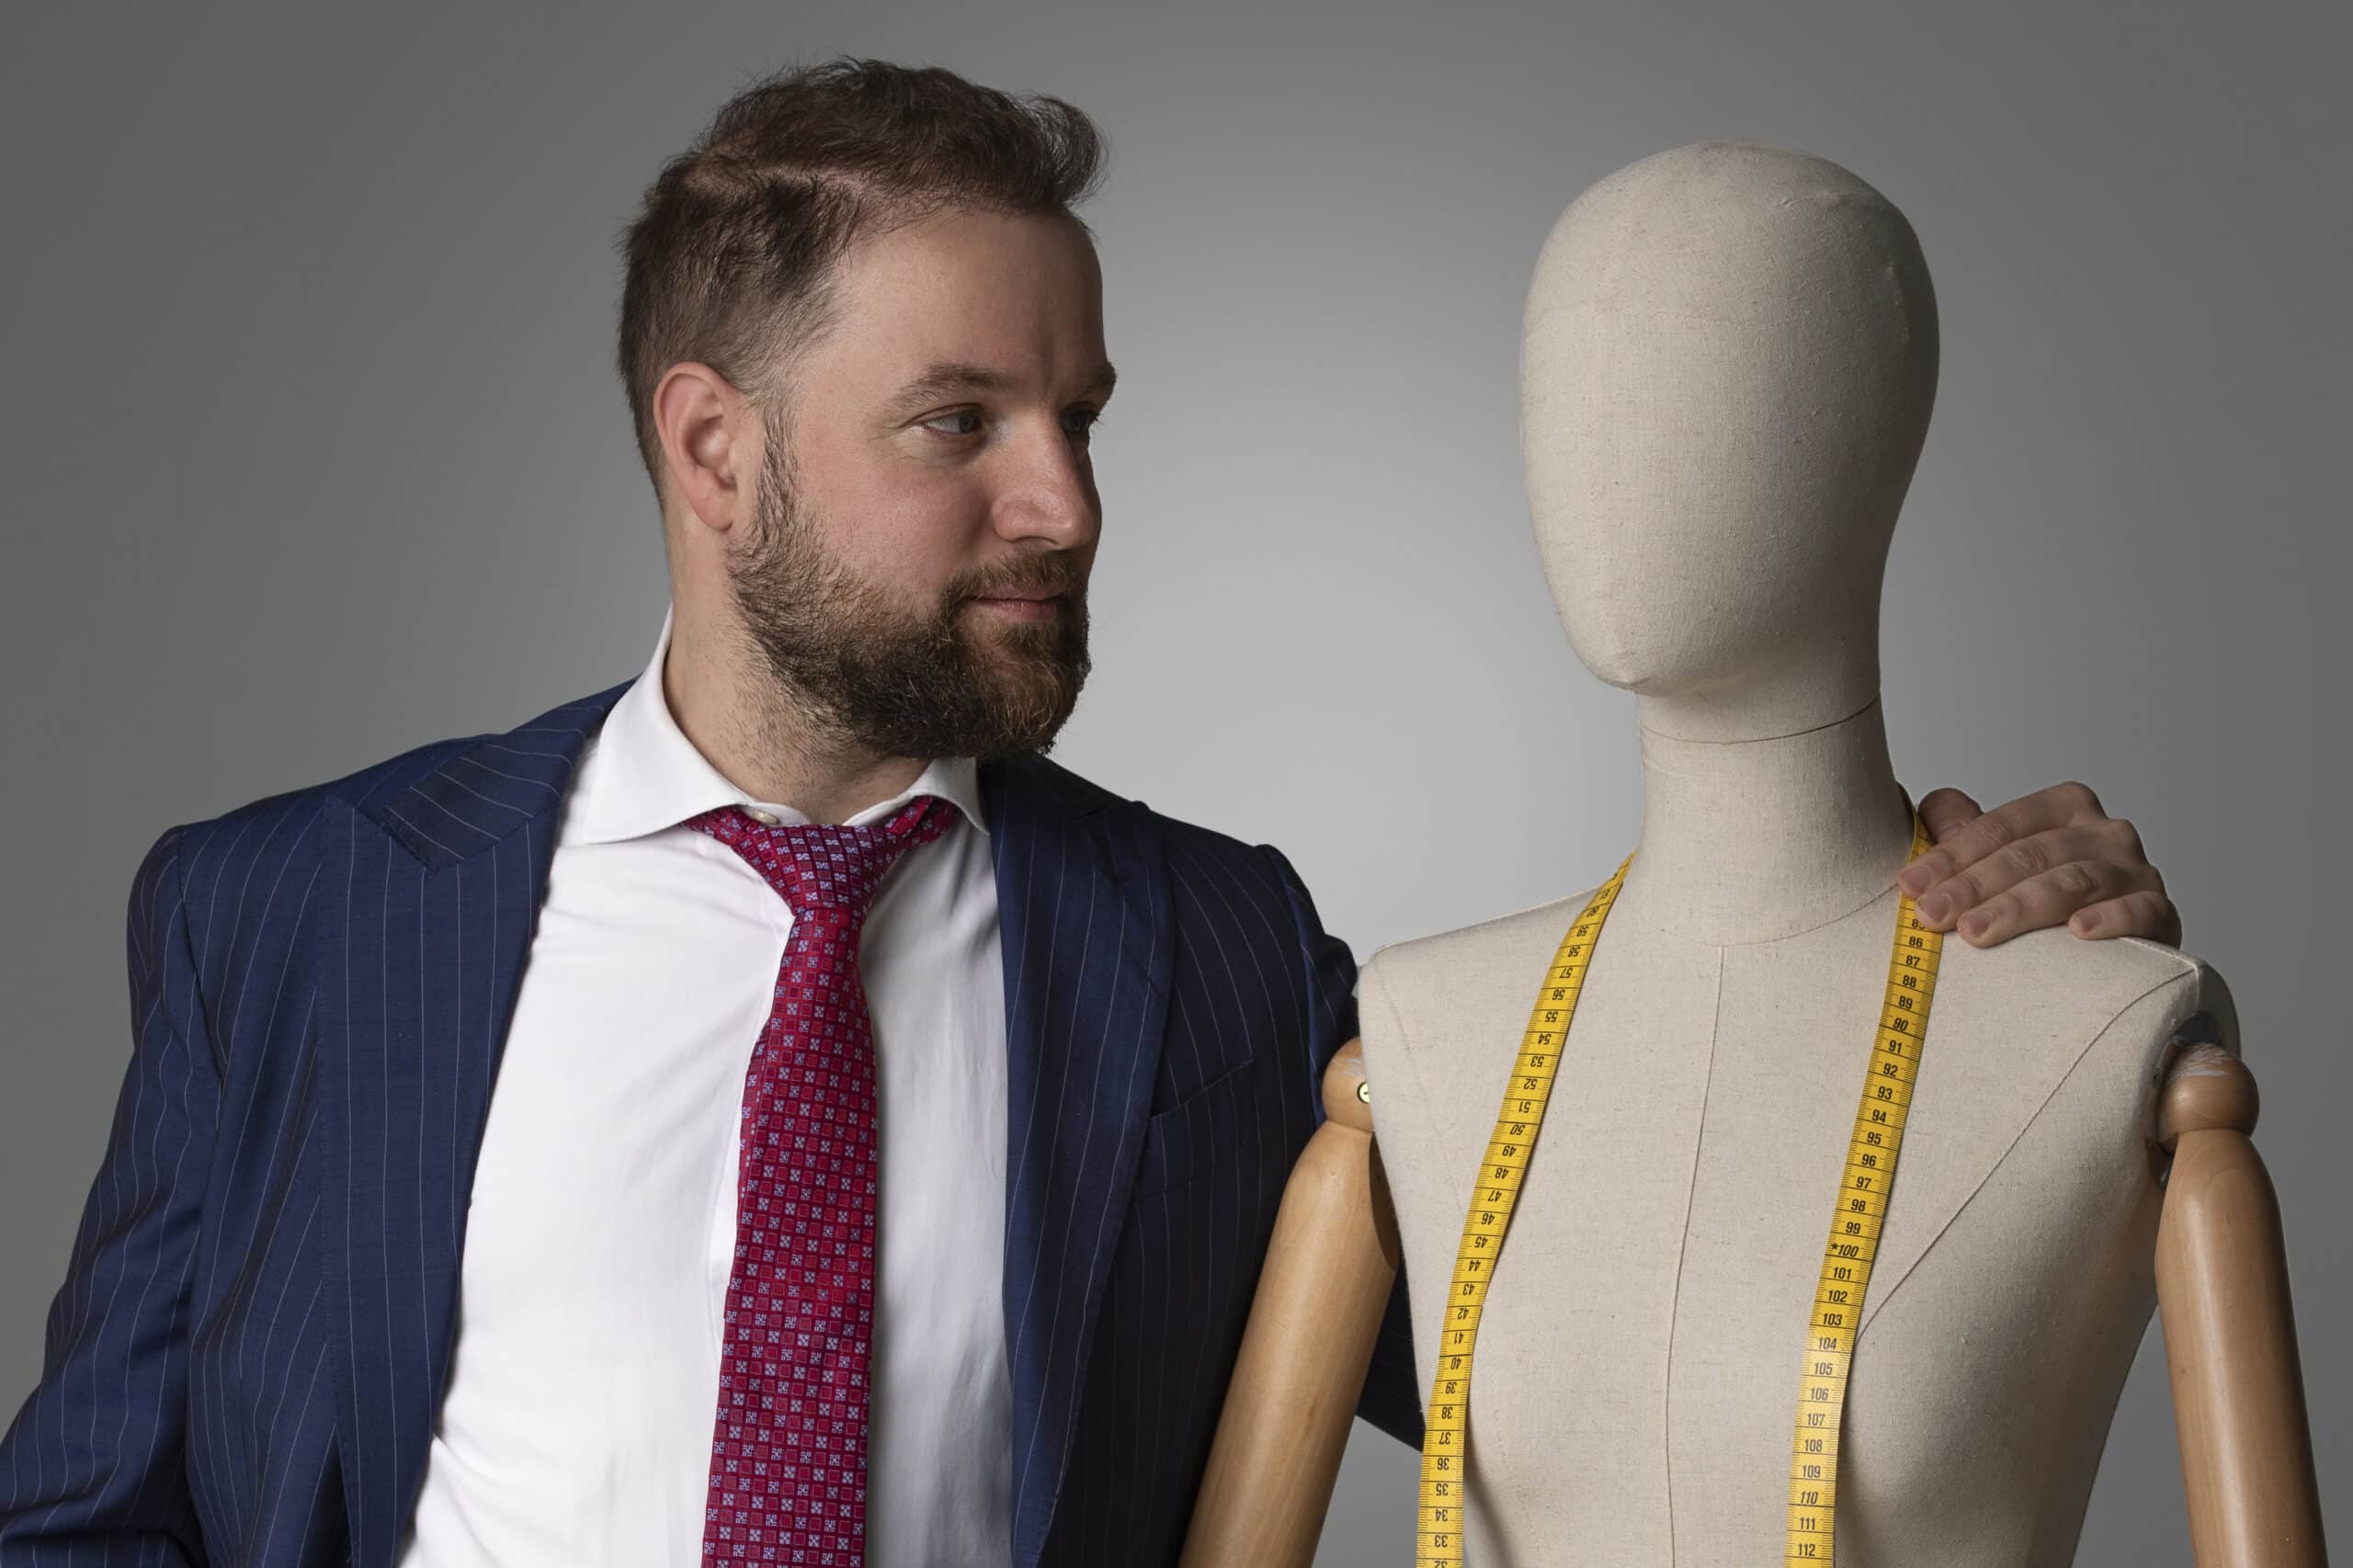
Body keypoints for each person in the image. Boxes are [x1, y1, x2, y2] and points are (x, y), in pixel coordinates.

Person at [0, 58, 2182, 1568]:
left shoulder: (1220, 960)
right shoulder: (289, 915)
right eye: (959, 419)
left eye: (1078, 413)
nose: (1063, 501)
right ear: (711, 451)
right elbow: (91, 1517)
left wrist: (1961, 972)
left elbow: (1617, 1335)